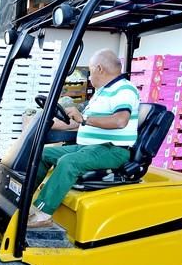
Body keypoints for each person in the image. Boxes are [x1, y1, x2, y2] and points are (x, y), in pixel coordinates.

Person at [28, 48, 140, 228]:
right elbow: (79, 123)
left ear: (99, 69)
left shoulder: (124, 89)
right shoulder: (102, 93)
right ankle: (25, 200)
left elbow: (120, 121)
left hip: (112, 149)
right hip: (89, 147)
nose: (89, 76)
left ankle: (42, 213)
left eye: (90, 71)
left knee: (68, 162)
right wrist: (46, 121)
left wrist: (84, 118)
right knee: (42, 154)